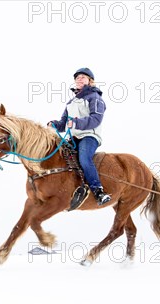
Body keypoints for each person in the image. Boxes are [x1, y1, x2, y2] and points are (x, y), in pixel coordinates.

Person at [48, 68, 111, 209]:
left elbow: (96, 119)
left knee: (84, 158)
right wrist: (54, 124)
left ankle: (98, 190)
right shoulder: (71, 102)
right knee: (59, 154)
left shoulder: (95, 98)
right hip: (74, 137)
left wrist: (76, 123)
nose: (79, 79)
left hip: (89, 136)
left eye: (83, 77)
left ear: (90, 81)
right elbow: (64, 123)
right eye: (77, 78)